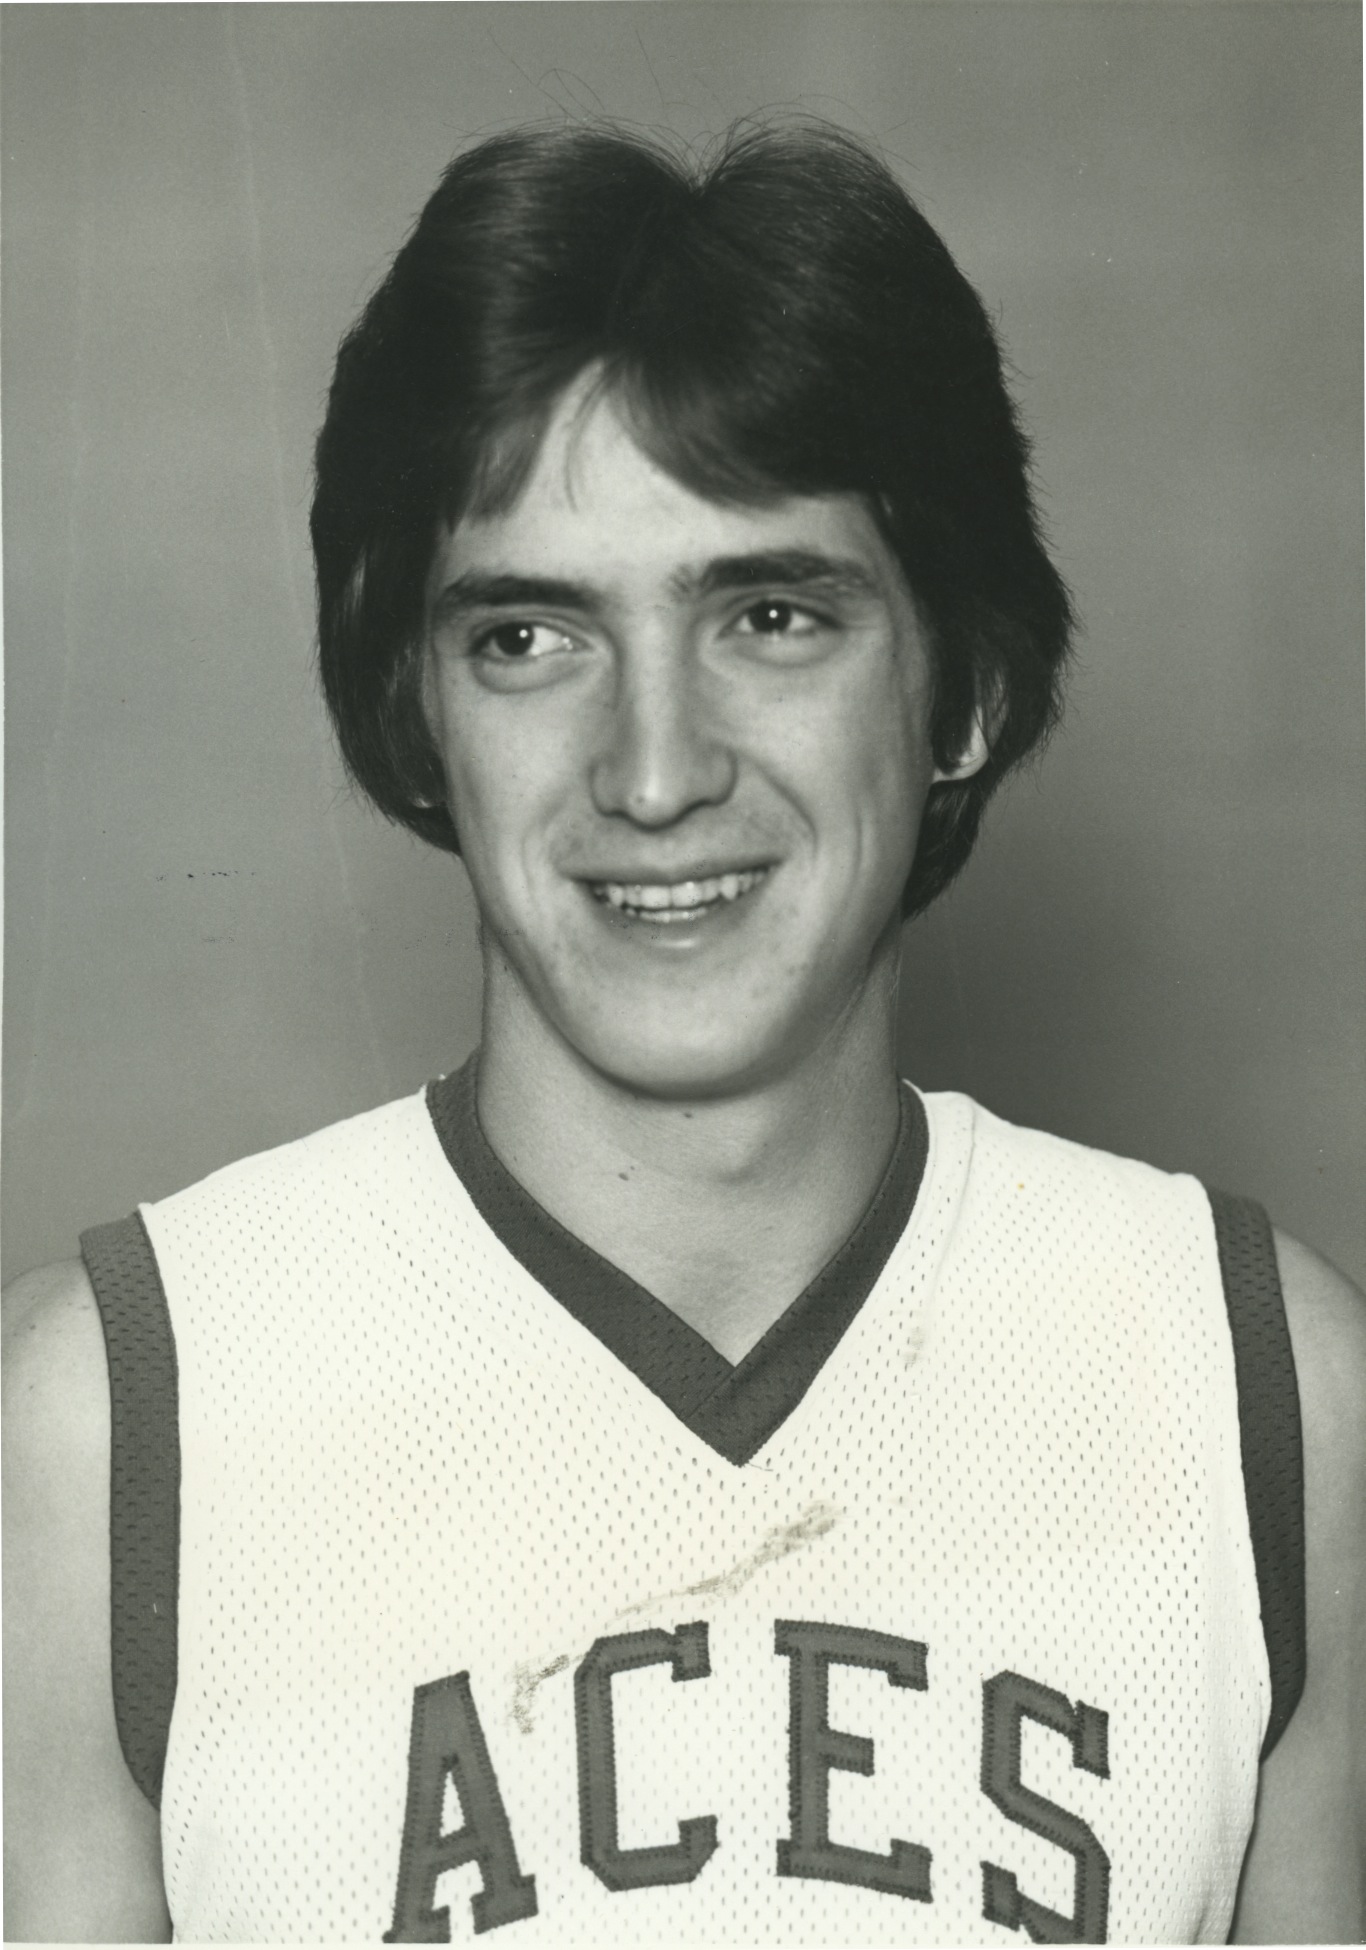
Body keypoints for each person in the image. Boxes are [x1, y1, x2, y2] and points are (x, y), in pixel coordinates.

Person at [4, 119, 1362, 1947]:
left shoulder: (1260, 1385)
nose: (654, 772)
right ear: (414, 710)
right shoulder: (115, 1418)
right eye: (529, 637)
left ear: (963, 684)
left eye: (771, 616)